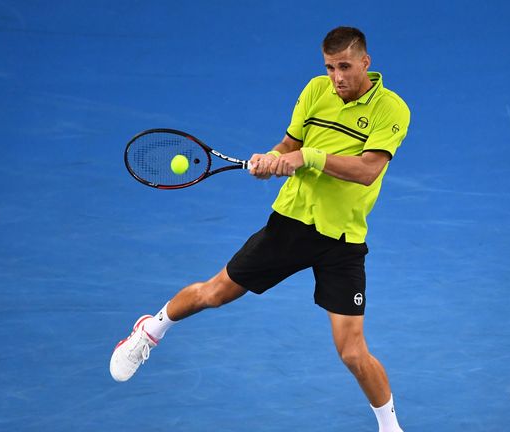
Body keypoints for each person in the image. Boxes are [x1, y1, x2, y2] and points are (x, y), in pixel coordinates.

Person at [110, 26, 410, 432]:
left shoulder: (392, 109)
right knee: (214, 294)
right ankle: (150, 330)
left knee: (353, 352)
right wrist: (270, 159)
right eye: (329, 67)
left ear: (365, 62)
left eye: (344, 66)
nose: (337, 77)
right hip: (291, 225)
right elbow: (289, 144)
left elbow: (368, 170)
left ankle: (391, 428)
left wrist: (308, 157)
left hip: (342, 240)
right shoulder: (316, 91)